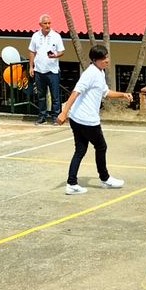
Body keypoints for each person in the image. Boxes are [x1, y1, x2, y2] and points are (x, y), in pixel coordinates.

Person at [56, 44, 132, 194]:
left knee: (80, 150)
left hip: (78, 119)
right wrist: (63, 113)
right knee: (101, 147)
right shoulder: (90, 74)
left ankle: (71, 184)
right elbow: (75, 92)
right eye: (103, 59)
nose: (107, 60)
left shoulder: (100, 72)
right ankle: (105, 179)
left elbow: (105, 92)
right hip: (87, 120)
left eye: (107, 57)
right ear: (95, 60)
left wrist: (123, 95)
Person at [28, 13, 65, 125]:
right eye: (45, 23)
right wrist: (31, 67)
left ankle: (55, 117)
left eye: (49, 23)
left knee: (55, 96)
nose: (47, 25)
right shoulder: (35, 36)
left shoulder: (56, 36)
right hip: (39, 70)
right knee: (41, 96)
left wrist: (56, 56)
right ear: (40, 24)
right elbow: (32, 51)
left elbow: (62, 51)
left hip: (52, 71)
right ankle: (42, 116)